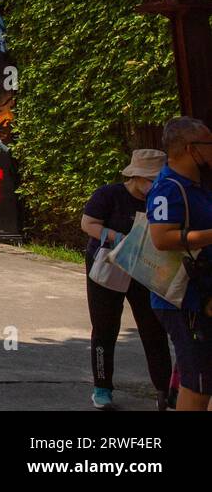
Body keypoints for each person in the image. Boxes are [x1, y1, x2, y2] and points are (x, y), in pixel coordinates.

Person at [81, 148, 173, 410]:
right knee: (104, 328)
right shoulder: (109, 194)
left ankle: (164, 389)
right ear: (136, 177)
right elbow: (88, 224)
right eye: (150, 180)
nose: (153, 185)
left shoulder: (161, 199)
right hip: (109, 267)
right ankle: (102, 387)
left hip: (145, 270)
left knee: (154, 328)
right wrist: (117, 238)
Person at [146, 116, 212, 410]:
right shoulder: (169, 188)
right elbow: (161, 237)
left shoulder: (195, 185)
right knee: (197, 385)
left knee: (204, 380)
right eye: (209, 144)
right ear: (190, 148)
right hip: (184, 300)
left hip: (199, 296)